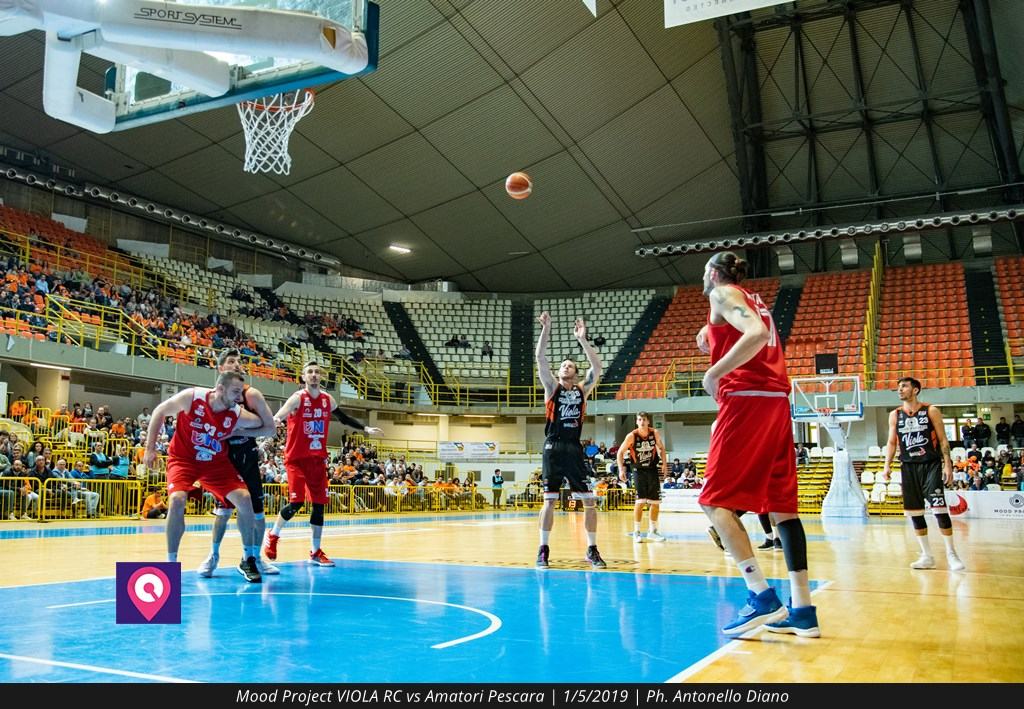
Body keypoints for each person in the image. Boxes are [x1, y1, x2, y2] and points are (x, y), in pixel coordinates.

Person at [695, 251, 818, 637]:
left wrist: (713, 374)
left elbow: (757, 334)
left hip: (746, 400)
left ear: (713, 273)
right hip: (777, 402)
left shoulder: (722, 293)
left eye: (704, 271)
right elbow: (748, 330)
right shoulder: (750, 298)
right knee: (783, 509)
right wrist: (711, 335)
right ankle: (803, 610)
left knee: (713, 502)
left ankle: (760, 594)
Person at [143, 371, 275, 583]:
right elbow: (160, 411)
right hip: (184, 460)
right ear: (220, 389)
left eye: (240, 392)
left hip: (215, 464)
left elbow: (268, 428)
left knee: (245, 499)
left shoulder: (236, 413)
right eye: (235, 392)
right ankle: (171, 563)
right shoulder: (192, 397)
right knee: (177, 500)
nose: (239, 397)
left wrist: (237, 432)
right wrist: (150, 448)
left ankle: (248, 558)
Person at [262, 361, 382, 567]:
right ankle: (273, 535)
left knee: (319, 506)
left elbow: (344, 418)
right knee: (297, 503)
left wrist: (365, 428)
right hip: (296, 460)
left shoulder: (327, 399)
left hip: (317, 460)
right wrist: (270, 429)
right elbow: (278, 416)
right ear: (303, 377)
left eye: (317, 372)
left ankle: (315, 551)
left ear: (321, 376)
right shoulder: (297, 398)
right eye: (310, 372)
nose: (314, 375)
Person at [198, 349, 280, 579]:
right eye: (231, 361)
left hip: (246, 456)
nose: (236, 365)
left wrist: (237, 431)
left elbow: (271, 429)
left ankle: (254, 558)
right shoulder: (211, 397)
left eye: (239, 361)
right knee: (222, 511)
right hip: (222, 458)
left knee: (257, 512)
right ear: (220, 369)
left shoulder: (251, 394)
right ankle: (213, 555)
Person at [534, 311, 604, 569]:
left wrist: (583, 340)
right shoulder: (552, 388)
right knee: (549, 500)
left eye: (570, 365)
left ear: (575, 373)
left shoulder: (582, 389)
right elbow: (540, 358)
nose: (565, 367)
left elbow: (597, 368)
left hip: (574, 448)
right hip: (553, 446)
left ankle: (592, 549)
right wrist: (546, 329)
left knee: (589, 501)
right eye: (563, 365)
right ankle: (543, 549)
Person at [881, 377, 965, 572]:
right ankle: (927, 556)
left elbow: (943, 440)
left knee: (939, 510)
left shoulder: (931, 410)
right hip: (908, 467)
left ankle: (951, 554)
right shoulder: (895, 415)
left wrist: (948, 465)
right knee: (915, 513)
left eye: (904, 386)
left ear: (916, 390)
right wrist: (887, 466)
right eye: (898, 387)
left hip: (930, 465)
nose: (900, 390)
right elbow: (892, 442)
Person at [616, 412, 668, 542]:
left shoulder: (654, 433)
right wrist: (621, 469)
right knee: (640, 502)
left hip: (652, 469)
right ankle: (637, 531)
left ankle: (653, 531)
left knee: (655, 503)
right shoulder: (632, 436)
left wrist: (664, 464)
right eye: (639, 420)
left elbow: (661, 449)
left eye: (644, 419)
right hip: (638, 470)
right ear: (637, 422)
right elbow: (620, 452)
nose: (642, 422)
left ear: (648, 421)